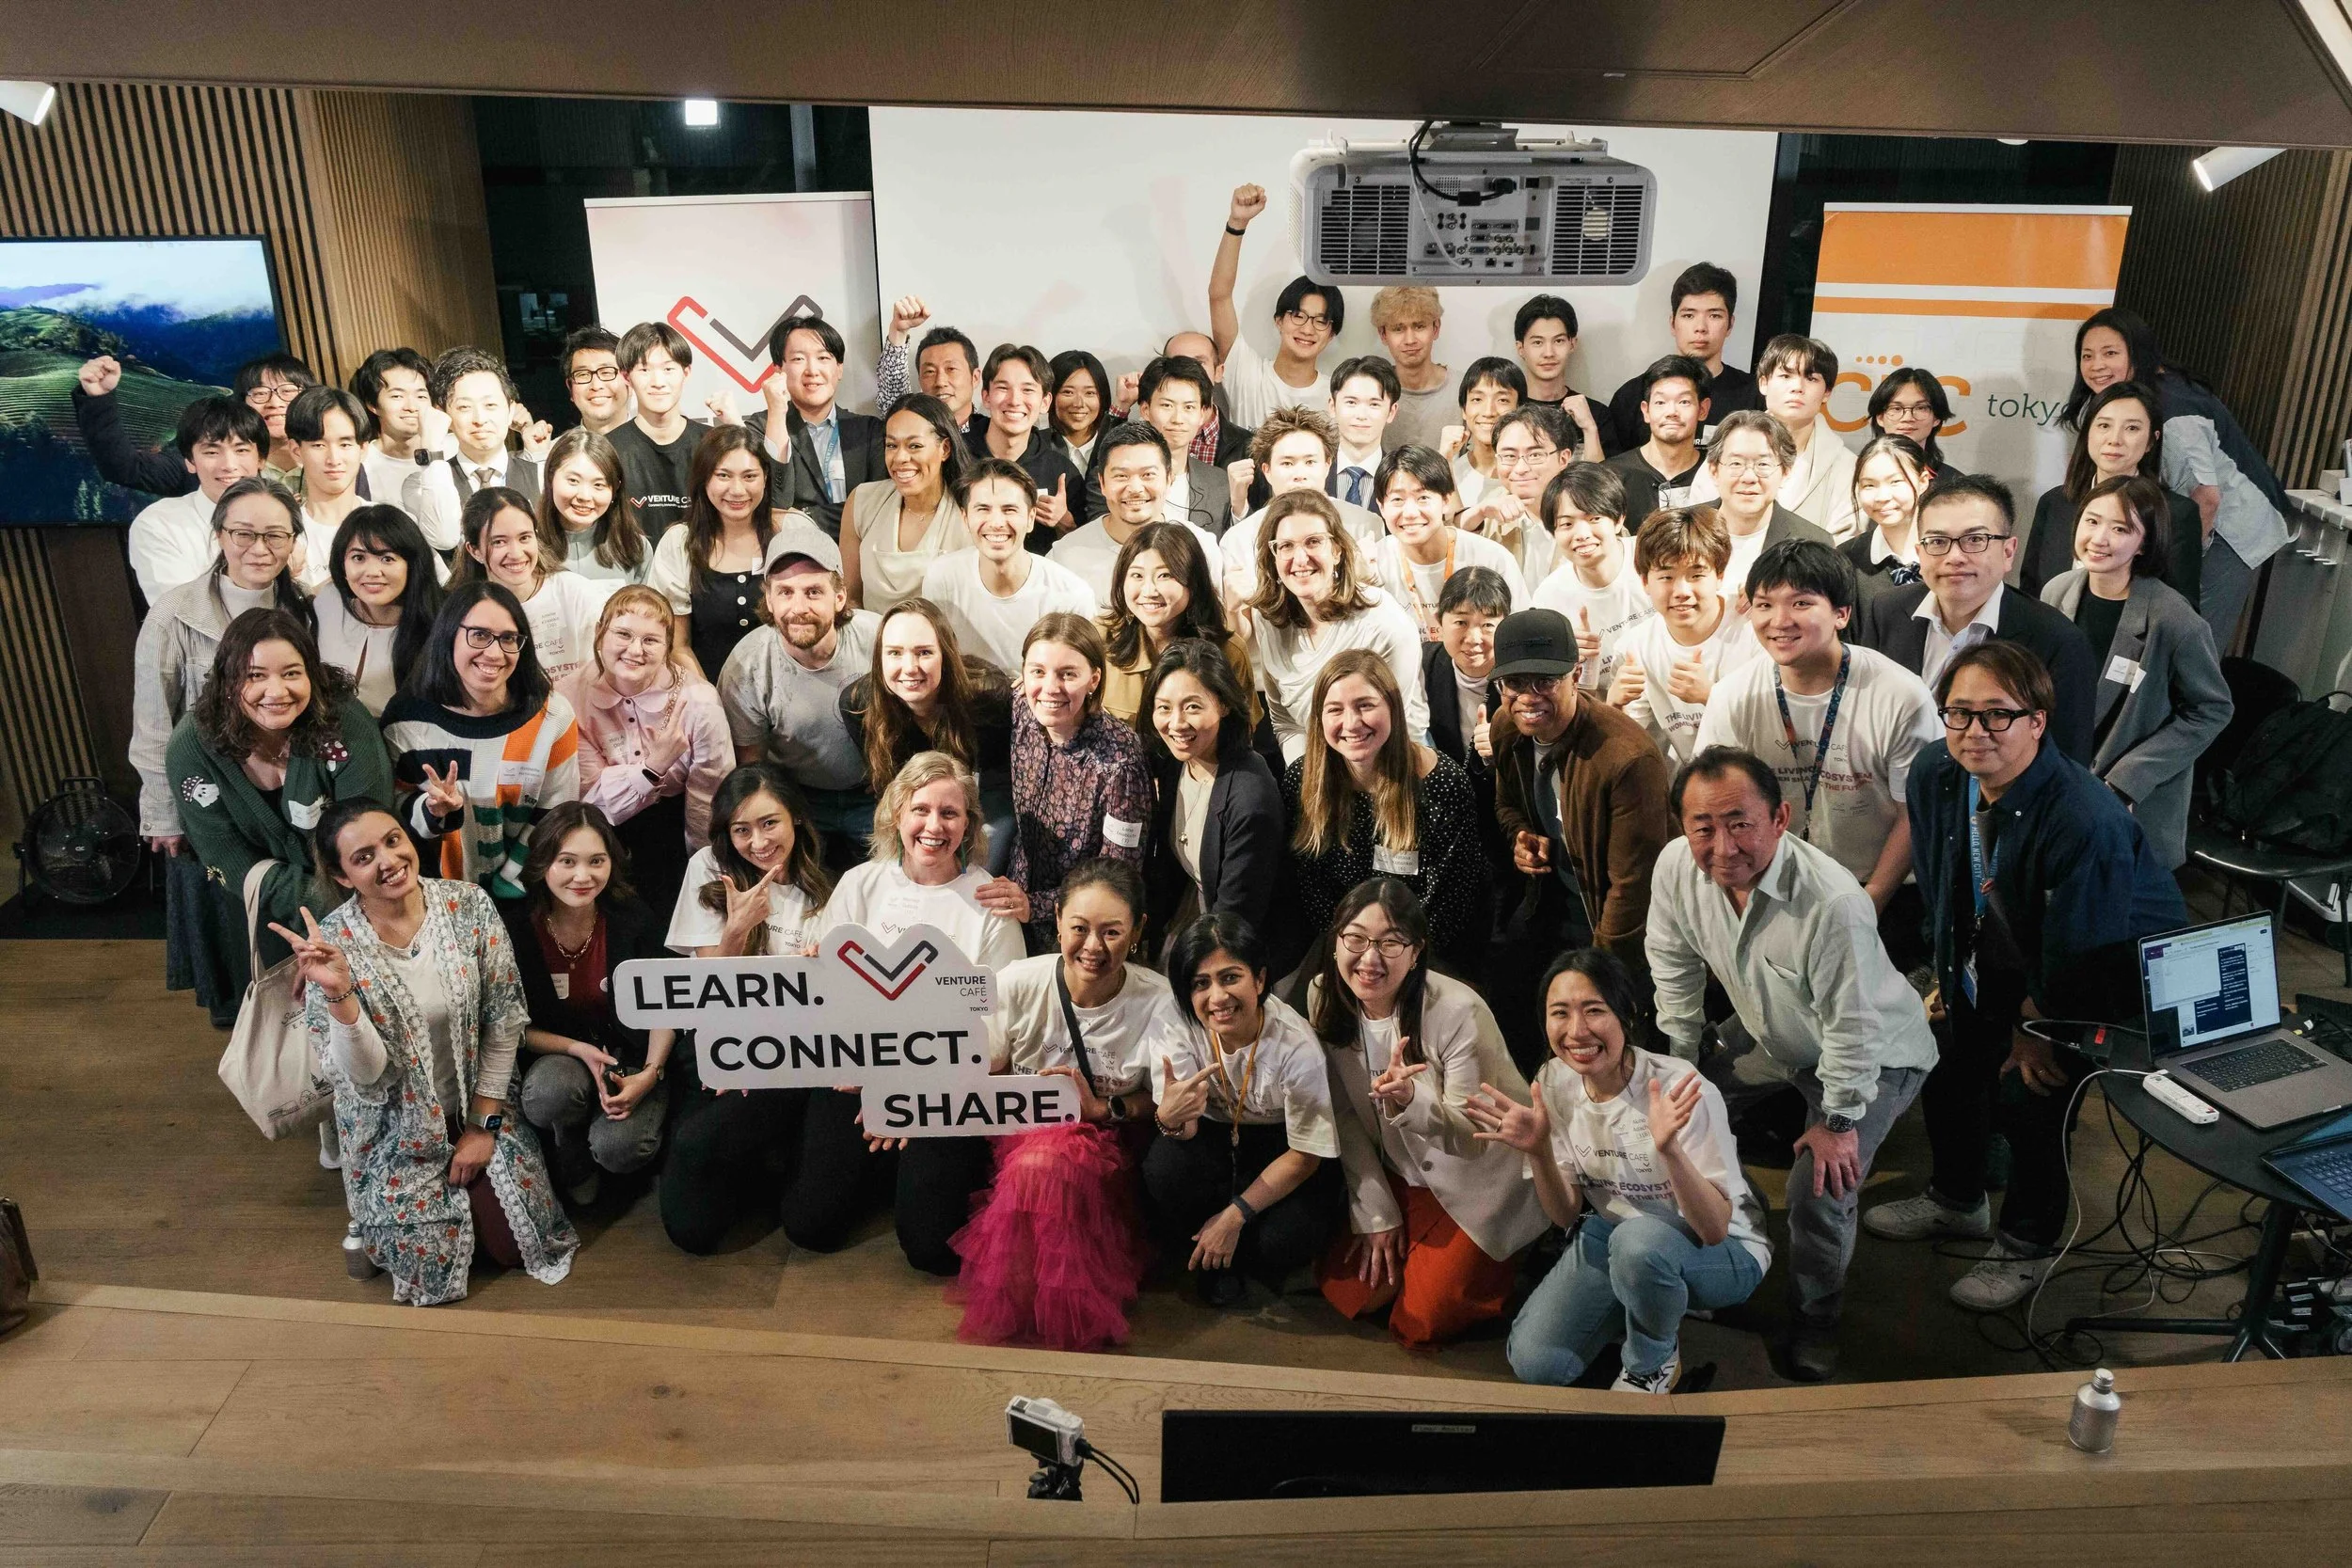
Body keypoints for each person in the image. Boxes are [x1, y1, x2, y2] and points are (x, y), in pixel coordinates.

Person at [1865, 641, 2188, 1309]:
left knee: (2030, 1092)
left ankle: (2028, 1242)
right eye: (1959, 713)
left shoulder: (2083, 815)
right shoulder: (1937, 772)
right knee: (1948, 1058)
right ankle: (1957, 1199)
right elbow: (1945, 883)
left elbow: (2081, 947)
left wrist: (2036, 1032)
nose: (1975, 732)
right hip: (2001, 941)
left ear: (2037, 721)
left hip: (2105, 961)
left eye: (1997, 715)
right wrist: (1947, 975)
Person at [1646, 746, 1938, 1381]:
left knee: (1819, 1187)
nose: (1723, 845)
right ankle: (1735, 1242)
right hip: (1771, 1033)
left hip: (1871, 1058)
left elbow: (1852, 1028)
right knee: (1674, 1116)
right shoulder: (1675, 868)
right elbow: (1672, 967)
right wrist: (1679, 1064)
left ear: (1780, 817)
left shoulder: (1833, 902)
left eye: (1739, 822)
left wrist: (1837, 1122)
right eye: (1703, 826)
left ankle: (1817, 1316)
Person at [278, 800, 579, 1307]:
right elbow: (367, 1079)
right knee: (429, 1263)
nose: (388, 861)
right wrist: (340, 994)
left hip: (480, 1105)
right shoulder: (329, 944)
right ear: (342, 875)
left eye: (394, 841)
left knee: (515, 1248)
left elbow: (504, 1022)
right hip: (391, 1131)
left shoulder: (469, 904)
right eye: (364, 856)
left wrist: (483, 1128)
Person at [1467, 949, 1769, 1392]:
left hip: (1723, 1250)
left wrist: (1670, 1150)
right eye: (1560, 1014)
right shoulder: (1554, 1081)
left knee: (1639, 1244)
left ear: (1627, 1014)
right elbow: (1566, 1215)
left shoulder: (1678, 1086)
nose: (1577, 1031)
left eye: (1594, 1011)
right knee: (1537, 1363)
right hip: (1616, 1235)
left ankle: (1653, 1360)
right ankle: (1644, 1300)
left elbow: (1714, 1229)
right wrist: (1538, 1152)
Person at [788, 752, 1027, 1274]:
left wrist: (912, 1094)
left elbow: (998, 1035)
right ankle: (882, 1171)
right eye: (921, 809)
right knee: (811, 1227)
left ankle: (904, 1170)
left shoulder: (990, 904)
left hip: (946, 1086)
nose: (934, 826)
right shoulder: (859, 885)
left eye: (950, 813)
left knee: (930, 1249)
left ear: (968, 824)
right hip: (858, 1074)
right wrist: (877, 1080)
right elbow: (829, 1001)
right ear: (897, 813)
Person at [951, 859, 1178, 1349]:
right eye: (1080, 928)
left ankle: (1059, 1306)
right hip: (1019, 1136)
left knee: (1047, 1165)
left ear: (1137, 932)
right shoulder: (1017, 981)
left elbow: (1160, 1102)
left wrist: (1105, 1110)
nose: (1093, 947)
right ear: (1056, 922)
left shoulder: (1159, 1001)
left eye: (1111, 932)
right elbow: (979, 1066)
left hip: (1111, 1144)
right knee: (1038, 1163)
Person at [1311, 879, 1546, 1346]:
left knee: (1422, 1320)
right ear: (1336, 940)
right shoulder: (1324, 994)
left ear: (1416, 952)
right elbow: (1343, 1114)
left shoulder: (1458, 1010)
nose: (1369, 958)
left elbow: (1469, 1139)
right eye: (1355, 939)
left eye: (1391, 942)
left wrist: (1409, 1101)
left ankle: (1514, 1254)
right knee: (1349, 1292)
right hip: (1402, 1173)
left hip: (1478, 1178)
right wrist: (1375, 1210)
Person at [1697, 539, 1941, 964]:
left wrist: (1871, 901)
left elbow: (1917, 813)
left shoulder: (1900, 696)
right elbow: (1715, 803)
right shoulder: (1733, 696)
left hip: (1885, 888)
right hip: (1776, 883)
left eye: (1801, 603)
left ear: (1842, 613)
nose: (1779, 621)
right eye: (1764, 604)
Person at [164, 608, 391, 1018]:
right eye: (255, 676)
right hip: (264, 903)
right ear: (228, 681)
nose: (276, 690)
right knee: (295, 1019)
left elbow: (369, 833)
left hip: (362, 896)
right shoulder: (192, 746)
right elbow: (228, 857)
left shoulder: (343, 723)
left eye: (291, 673)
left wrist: (354, 923)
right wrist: (321, 913)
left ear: (312, 675)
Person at [656, 767, 838, 1256]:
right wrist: (736, 930)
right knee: (690, 1225)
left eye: (768, 823)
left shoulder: (828, 880)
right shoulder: (707, 867)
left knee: (808, 1212)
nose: (757, 842)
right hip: (722, 1045)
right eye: (741, 830)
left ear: (796, 818)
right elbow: (703, 987)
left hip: (802, 1056)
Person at [1488, 609, 1673, 1069]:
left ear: (1575, 674)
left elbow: (1634, 892)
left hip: (1617, 927)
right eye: (1515, 683)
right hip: (1549, 906)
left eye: (1544, 682)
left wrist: (1596, 980)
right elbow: (1507, 806)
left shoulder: (1626, 759)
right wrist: (1522, 837)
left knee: (1608, 1044)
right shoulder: (1508, 728)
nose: (1528, 697)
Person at [133, 480, 315, 931]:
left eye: (276, 535)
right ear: (220, 535)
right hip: (213, 793)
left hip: (291, 789)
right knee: (234, 929)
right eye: (244, 534)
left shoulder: (307, 609)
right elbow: (154, 720)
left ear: (292, 542)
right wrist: (161, 813)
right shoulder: (174, 614)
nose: (260, 548)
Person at [1144, 911, 1344, 1306]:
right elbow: (1184, 1132)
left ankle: (1231, 1246)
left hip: (1282, 1145)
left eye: (1230, 977)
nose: (1217, 998)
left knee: (1286, 1240)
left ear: (1260, 979)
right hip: (1214, 1135)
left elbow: (1305, 1155)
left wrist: (1234, 1216)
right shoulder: (1174, 1022)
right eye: (1200, 984)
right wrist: (1168, 1118)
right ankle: (1215, 1258)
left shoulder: (1297, 1046)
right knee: (1164, 1168)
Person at [2036, 477, 2233, 868]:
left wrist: (2128, 779)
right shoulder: (2056, 592)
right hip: (2054, 783)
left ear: (2144, 542)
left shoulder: (2173, 619)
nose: (2099, 538)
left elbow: (2212, 710)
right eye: (2091, 521)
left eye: (2121, 528)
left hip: (2125, 798)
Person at [2063, 307, 2290, 647]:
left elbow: (2206, 499)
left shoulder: (2171, 414)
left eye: (2110, 353)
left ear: (2136, 354)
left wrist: (2176, 566)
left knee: (2191, 637)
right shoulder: (2126, 398)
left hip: (2231, 529)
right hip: (2195, 515)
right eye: (2087, 355)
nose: (2097, 366)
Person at [1854, 473, 2098, 764]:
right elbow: (1867, 718)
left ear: (2008, 552)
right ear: (1920, 553)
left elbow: (2066, 763)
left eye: (1975, 540)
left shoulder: (2057, 641)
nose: (1954, 556)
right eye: (1938, 541)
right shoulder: (1887, 611)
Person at [1280, 650, 1491, 982]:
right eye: (1335, 709)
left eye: (1365, 705)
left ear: (1393, 707)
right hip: (1340, 952)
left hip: (1425, 956)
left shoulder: (1443, 783)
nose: (1351, 723)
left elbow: (1450, 900)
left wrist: (1392, 959)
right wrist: (1353, 955)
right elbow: (1310, 886)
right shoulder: (1302, 781)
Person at [507, 801, 675, 1206]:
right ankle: (570, 1154)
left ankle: (617, 1149)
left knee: (620, 1148)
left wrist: (650, 1074)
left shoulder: (633, 916)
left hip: (632, 1055)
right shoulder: (518, 927)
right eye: (567, 861)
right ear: (543, 861)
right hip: (563, 1054)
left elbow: (666, 1006)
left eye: (596, 861)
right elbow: (513, 1026)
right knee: (549, 1093)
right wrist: (578, 1049)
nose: (583, 876)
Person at [381, 580, 580, 900]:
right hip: (428, 895)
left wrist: (509, 888)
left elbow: (555, 816)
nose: (494, 652)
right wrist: (433, 811)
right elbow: (391, 812)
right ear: (449, 635)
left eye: (508, 639)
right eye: (480, 635)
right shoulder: (407, 719)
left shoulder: (552, 717)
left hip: (521, 893)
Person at [558, 584, 732, 920]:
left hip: (675, 828)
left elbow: (707, 802)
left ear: (668, 647)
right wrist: (654, 765)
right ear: (599, 634)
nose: (635, 650)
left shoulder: (699, 702)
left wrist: (704, 878)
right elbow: (590, 798)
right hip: (599, 832)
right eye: (623, 634)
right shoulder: (569, 697)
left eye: (650, 640)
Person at [716, 526, 881, 864]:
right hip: (798, 799)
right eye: (786, 592)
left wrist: (892, 772)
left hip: (875, 794)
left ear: (839, 597)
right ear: (770, 599)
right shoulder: (746, 666)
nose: (799, 606)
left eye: (813, 591)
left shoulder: (879, 640)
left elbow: (923, 714)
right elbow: (753, 766)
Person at [1001, 613, 1152, 951]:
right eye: (1038, 671)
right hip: (1013, 904)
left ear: (1094, 679)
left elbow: (1119, 877)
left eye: (1068, 674)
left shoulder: (1120, 760)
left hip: (1081, 929)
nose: (1050, 688)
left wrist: (1035, 905)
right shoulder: (1022, 710)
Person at [1246, 490, 1429, 763]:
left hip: (1392, 763)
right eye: (1285, 546)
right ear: (1272, 556)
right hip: (1313, 766)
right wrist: (1308, 782)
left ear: (1337, 550)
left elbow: (1393, 729)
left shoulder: (1384, 622)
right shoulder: (1268, 619)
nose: (1300, 559)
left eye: (1313, 542)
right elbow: (1287, 722)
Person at [838, 597, 1018, 870]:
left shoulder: (987, 695)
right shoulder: (858, 704)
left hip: (981, 791)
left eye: (923, 652)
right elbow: (890, 786)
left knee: (985, 849)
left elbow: (998, 779)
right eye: (895, 653)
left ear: (945, 655)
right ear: (879, 658)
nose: (910, 667)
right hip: (915, 795)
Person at [1138, 638, 1283, 947]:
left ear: (1224, 704)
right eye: (1164, 708)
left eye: (1192, 707)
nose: (1176, 724)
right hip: (1196, 908)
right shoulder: (1174, 760)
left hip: (1243, 941)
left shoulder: (1249, 798)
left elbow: (1236, 920)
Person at [2019, 381, 2202, 607]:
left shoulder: (2177, 513)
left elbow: (2183, 608)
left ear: (2151, 441)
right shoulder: (2055, 502)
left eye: (2132, 428)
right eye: (2104, 426)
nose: (2115, 439)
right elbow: (2029, 592)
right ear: (2088, 432)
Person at [1611, 505, 1759, 768]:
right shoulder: (1636, 648)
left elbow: (1781, 731)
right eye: (1666, 576)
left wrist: (1711, 697)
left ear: (1720, 575)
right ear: (1645, 582)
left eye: (1696, 575)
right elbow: (1628, 745)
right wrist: (1614, 705)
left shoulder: (1755, 626)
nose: (1682, 591)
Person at [918, 457, 1097, 671]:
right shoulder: (942, 577)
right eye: (983, 509)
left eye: (1009, 510)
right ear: (965, 518)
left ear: (1031, 518)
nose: (996, 523)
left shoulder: (1070, 594)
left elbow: (1078, 676)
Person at [647, 425, 786, 679]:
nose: (737, 490)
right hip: (707, 697)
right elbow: (678, 645)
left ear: (765, 477)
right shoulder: (679, 543)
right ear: (704, 478)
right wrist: (711, 704)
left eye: (749, 476)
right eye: (723, 475)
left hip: (787, 695)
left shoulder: (789, 533)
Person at [74, 349, 310, 497]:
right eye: (260, 393)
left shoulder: (337, 458)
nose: (275, 403)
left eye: (288, 391)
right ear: (242, 403)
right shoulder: (208, 462)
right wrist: (98, 398)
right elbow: (127, 469)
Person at [1207, 182, 1341, 428]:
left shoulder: (1338, 397)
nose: (1308, 329)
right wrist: (1237, 224)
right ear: (1279, 321)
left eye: (1321, 321)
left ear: (1331, 334)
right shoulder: (1247, 375)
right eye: (1298, 316)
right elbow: (1219, 296)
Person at [1217, 405, 1385, 602]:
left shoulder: (1365, 525)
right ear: (1267, 470)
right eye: (1287, 464)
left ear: (1327, 465)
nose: (1299, 475)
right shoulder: (1239, 538)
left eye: (1310, 462)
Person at [1100, 521, 1258, 730]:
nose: (1149, 591)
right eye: (1137, 575)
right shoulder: (1099, 638)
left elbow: (1241, 737)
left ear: (1193, 582)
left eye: (1165, 575)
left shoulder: (1228, 651)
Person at [455, 486, 613, 686]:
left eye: (524, 538)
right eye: (499, 542)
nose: (516, 553)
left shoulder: (575, 592)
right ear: (474, 550)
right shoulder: (463, 612)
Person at [745, 314, 884, 540]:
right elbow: (774, 507)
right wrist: (777, 414)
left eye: (823, 358)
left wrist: (803, 516)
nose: (812, 370)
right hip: (794, 563)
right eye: (799, 359)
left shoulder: (870, 431)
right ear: (779, 369)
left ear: (839, 369)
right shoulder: (760, 428)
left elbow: (878, 511)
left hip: (861, 560)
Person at [1368, 445, 1528, 638]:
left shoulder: (1492, 559)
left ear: (1446, 500)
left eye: (1423, 498)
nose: (1410, 513)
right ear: (1381, 506)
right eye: (1397, 500)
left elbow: (1521, 634)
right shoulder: (1371, 564)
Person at [1051, 422, 1219, 603]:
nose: (1135, 488)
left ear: (1169, 479)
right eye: (1121, 476)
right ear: (1102, 483)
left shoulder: (1199, 546)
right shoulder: (1065, 556)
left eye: (1148, 475)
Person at [1602, 262, 1762, 452]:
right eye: (1688, 315)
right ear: (1672, 323)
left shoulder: (1754, 396)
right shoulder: (1633, 395)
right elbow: (1614, 472)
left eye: (1714, 316)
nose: (1700, 327)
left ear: (1730, 325)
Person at [839, 393, 973, 615]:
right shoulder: (862, 502)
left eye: (914, 446)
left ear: (945, 449)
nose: (900, 457)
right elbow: (850, 601)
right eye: (891, 445)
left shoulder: (970, 511)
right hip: (872, 644)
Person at [124, 395, 265, 601]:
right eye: (211, 452)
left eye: (241, 450)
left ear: (261, 459)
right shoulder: (159, 524)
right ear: (190, 461)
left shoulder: (288, 516)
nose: (228, 464)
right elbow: (182, 613)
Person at [1531, 463, 1653, 694]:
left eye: (1594, 518)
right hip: (1608, 718)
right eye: (1566, 524)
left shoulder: (1654, 556)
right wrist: (1574, 664)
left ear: (1618, 520)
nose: (1582, 535)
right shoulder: (1549, 598)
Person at [402, 347, 539, 553]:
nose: (480, 419)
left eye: (490, 405)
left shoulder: (541, 475)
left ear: (510, 410)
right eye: (464, 407)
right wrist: (431, 446)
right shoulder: (420, 484)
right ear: (443, 414)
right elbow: (444, 539)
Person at [315, 504, 446, 717]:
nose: (373, 572)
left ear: (411, 564)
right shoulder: (328, 602)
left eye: (387, 558)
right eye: (359, 557)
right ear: (342, 563)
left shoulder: (442, 622)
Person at [1422, 568, 1513, 873]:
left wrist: (1501, 753)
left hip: (1506, 829)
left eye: (1488, 625)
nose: (1474, 639)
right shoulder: (1423, 666)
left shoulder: (1522, 680)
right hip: (1440, 823)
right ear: (1440, 622)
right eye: (1460, 622)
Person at [1692, 409, 1836, 594]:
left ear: (1785, 473)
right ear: (1713, 471)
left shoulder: (1815, 543)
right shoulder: (1678, 529)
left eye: (1763, 464)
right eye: (1736, 463)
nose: (1749, 477)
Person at [603, 322, 708, 542]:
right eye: (644, 370)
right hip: (635, 572)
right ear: (626, 377)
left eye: (668, 369)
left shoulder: (711, 444)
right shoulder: (608, 450)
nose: (658, 382)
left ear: (686, 372)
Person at [975, 343, 1085, 548]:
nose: (1015, 400)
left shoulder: (1062, 473)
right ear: (986, 396)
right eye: (1003, 388)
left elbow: (1081, 552)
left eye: (1028, 390)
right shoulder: (957, 456)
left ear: (1045, 402)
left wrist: (1065, 523)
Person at [1750, 335, 1860, 541]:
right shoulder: (1729, 451)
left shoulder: (1848, 467)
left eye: (1811, 378)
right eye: (1786, 376)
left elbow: (1844, 544)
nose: (1797, 387)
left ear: (1827, 392)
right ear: (1763, 383)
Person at [1108, 355, 1231, 537]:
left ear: (1203, 414)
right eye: (1167, 405)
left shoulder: (1219, 482)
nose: (1177, 419)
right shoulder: (1113, 477)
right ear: (1145, 410)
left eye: (1188, 407)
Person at [1458, 403, 1574, 594]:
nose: (1520, 468)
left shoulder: (1589, 508)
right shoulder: (1488, 513)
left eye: (1535, 454)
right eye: (1509, 456)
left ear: (1563, 458)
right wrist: (1478, 513)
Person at [284, 385, 372, 592]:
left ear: (363, 449)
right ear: (296, 451)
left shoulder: (393, 523)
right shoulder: (283, 535)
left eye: (345, 444)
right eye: (319, 445)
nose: (334, 459)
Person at [538, 426, 650, 586]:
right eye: (573, 481)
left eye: (598, 485)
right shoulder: (527, 548)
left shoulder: (634, 547)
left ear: (615, 488)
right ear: (550, 477)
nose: (584, 496)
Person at [1603, 356, 1709, 523]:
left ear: (1703, 409)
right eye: (1660, 402)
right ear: (1646, 411)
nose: (1672, 412)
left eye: (1684, 401)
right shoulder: (1611, 476)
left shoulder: (1717, 473)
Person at [1511, 294, 1612, 458]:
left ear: (1572, 344)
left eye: (1558, 341)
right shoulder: (1508, 409)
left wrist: (1589, 428)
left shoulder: (1595, 414)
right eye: (1537, 342)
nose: (1549, 353)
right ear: (1520, 348)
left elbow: (1605, 481)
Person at [1839, 434, 1931, 610]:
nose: (1882, 497)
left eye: (1895, 482)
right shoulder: (1845, 561)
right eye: (1869, 485)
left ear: (1922, 481)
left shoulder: (1950, 553)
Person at [1367, 286, 1452, 451]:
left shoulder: (1466, 390)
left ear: (1435, 328)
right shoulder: (1370, 391)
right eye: (1398, 329)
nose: (1410, 340)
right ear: (1383, 334)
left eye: (1419, 326)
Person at [1441, 356, 1527, 509]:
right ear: (1464, 410)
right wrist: (1445, 463)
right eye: (1477, 399)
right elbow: (1452, 530)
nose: (1488, 412)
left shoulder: (1531, 473)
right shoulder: (1452, 472)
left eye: (1502, 400)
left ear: (1520, 409)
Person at [1327, 356, 1400, 512]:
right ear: (1332, 406)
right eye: (1351, 402)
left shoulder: (1402, 477)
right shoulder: (1311, 471)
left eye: (1374, 404)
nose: (1361, 415)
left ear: (1391, 412)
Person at [1866, 367, 1955, 475]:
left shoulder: (1954, 483)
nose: (1907, 418)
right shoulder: (1852, 472)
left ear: (1936, 418)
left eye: (1920, 408)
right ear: (1880, 417)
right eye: (1896, 408)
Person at [1047, 349, 1112, 485]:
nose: (1079, 404)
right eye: (1068, 392)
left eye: (1089, 393)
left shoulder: (1115, 449)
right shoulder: (1037, 448)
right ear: (1049, 396)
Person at [914, 325, 987, 438]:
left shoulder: (992, 434)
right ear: (920, 381)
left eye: (951, 369)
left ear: (975, 377)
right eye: (930, 372)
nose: (940, 382)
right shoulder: (912, 434)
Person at [558, 325, 632, 437]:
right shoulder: (554, 453)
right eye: (583, 374)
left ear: (629, 381)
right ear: (570, 388)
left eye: (607, 372)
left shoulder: (659, 446)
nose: (596, 386)